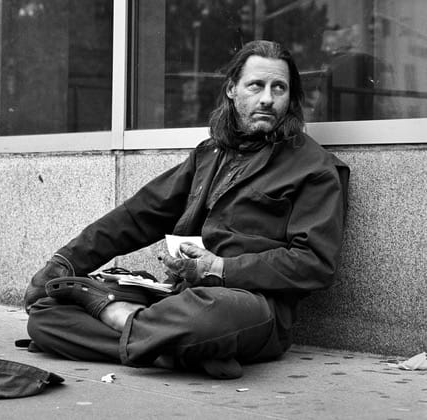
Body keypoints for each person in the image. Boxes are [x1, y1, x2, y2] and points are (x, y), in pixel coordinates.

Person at [22, 40, 350, 379]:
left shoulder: (315, 168)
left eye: (279, 88)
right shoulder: (209, 155)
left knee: (205, 318)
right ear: (232, 90)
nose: (268, 98)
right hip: (177, 297)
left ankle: (122, 318)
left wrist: (220, 268)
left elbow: (315, 263)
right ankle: (179, 354)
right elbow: (138, 215)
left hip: (250, 306)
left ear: (290, 98)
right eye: (256, 85)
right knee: (47, 314)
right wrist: (65, 262)